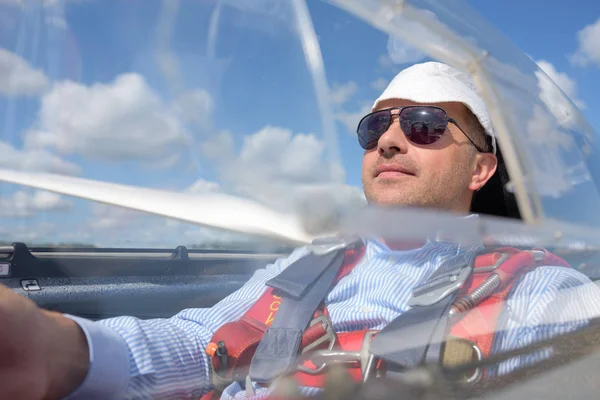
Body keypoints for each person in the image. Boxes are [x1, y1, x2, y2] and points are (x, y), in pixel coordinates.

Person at [2, 61, 600, 400]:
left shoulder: (537, 291)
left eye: (425, 125)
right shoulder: (310, 264)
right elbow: (198, 345)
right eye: (376, 127)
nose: (390, 139)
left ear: (481, 167)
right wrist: (58, 348)